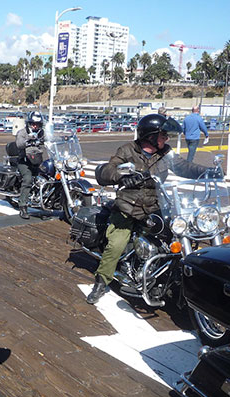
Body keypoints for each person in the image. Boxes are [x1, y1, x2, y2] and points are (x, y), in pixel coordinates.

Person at [86, 114, 215, 304]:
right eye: (163, 135)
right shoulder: (128, 150)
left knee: (177, 235)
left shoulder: (165, 153)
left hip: (156, 206)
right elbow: (106, 170)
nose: (166, 139)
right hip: (128, 207)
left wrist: (206, 172)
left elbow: (183, 166)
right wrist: (121, 177)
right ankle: (101, 281)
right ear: (150, 136)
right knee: (117, 244)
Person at [14, 111, 45, 219]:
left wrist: (63, 138)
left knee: (47, 176)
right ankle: (22, 206)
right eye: (33, 124)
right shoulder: (22, 132)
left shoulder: (41, 133)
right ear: (29, 123)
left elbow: (49, 139)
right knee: (28, 179)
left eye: (37, 124)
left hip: (37, 160)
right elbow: (19, 143)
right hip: (24, 161)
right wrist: (28, 140)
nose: (35, 126)